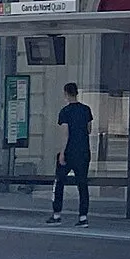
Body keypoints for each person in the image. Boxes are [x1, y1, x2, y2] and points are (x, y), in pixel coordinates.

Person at [48, 82, 93, 226]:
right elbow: (89, 129)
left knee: (59, 182)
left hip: (69, 152)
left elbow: (66, 134)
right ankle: (83, 217)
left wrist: (62, 153)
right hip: (84, 151)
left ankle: (56, 214)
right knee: (82, 184)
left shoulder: (65, 112)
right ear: (77, 93)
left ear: (66, 93)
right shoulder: (86, 110)